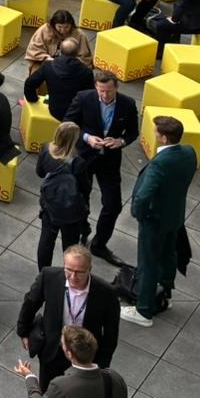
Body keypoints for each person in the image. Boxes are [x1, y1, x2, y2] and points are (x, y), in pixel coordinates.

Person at [122, 115, 196, 327]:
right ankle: (165, 294)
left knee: (148, 263)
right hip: (175, 215)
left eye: (156, 132)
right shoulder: (189, 152)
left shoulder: (160, 164)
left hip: (155, 220)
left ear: (164, 138)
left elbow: (144, 196)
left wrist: (138, 213)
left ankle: (144, 310)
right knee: (168, 255)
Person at [15, 247, 120, 392]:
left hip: (84, 355)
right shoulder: (49, 276)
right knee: (48, 390)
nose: (72, 277)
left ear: (90, 269)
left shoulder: (106, 293)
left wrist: (101, 365)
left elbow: (111, 333)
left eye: (79, 272)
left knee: (80, 393)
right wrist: (23, 331)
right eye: (68, 270)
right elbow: (31, 303)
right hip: (53, 348)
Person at [62, 69, 138, 265]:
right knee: (80, 200)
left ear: (116, 88)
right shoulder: (83, 98)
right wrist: (87, 138)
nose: (105, 95)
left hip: (110, 160)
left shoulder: (127, 104)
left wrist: (121, 141)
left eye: (109, 91)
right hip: (84, 158)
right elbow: (68, 123)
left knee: (113, 205)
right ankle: (82, 230)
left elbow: (132, 132)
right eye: (101, 91)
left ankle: (99, 245)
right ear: (96, 87)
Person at [34, 121, 90, 268]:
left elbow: (40, 172)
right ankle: (68, 274)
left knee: (46, 241)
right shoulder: (78, 162)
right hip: (71, 212)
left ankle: (44, 274)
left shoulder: (46, 148)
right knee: (70, 247)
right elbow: (85, 189)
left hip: (49, 206)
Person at [23, 10, 92, 77]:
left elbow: (85, 57)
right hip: (46, 62)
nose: (63, 30)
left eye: (66, 27)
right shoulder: (44, 29)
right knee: (35, 76)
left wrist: (70, 62)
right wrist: (47, 58)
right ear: (54, 24)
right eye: (59, 27)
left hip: (70, 66)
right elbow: (34, 49)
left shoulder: (79, 35)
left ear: (71, 25)